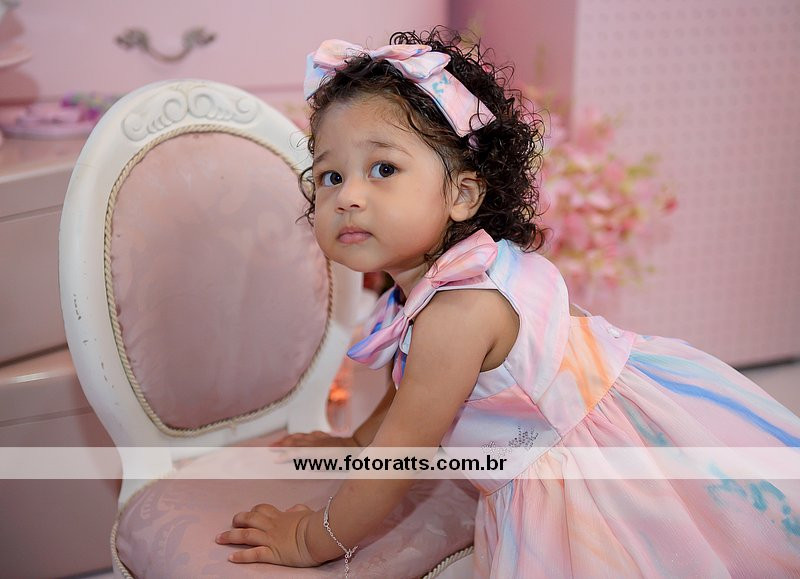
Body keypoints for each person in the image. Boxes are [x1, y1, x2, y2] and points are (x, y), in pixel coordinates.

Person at [216, 27, 800, 576]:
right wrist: (354, 442)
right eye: (330, 177)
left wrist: (311, 538)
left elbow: (401, 457)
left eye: (383, 168)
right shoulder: (452, 274)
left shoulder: (459, 311)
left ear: (463, 194)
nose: (349, 196)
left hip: (593, 472)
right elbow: (413, 388)